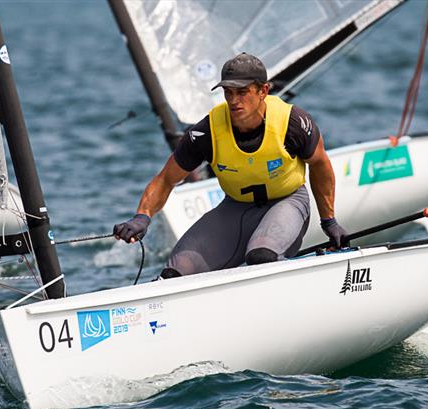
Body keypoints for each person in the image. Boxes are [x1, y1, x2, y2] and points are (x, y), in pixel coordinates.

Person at [113, 52, 348, 279]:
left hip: (288, 201)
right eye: (228, 92)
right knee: (176, 271)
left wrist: (329, 221)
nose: (234, 101)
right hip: (235, 209)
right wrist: (142, 217)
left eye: (242, 92)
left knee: (261, 256)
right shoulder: (207, 132)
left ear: (263, 91)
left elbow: (320, 166)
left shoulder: (293, 123)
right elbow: (166, 179)